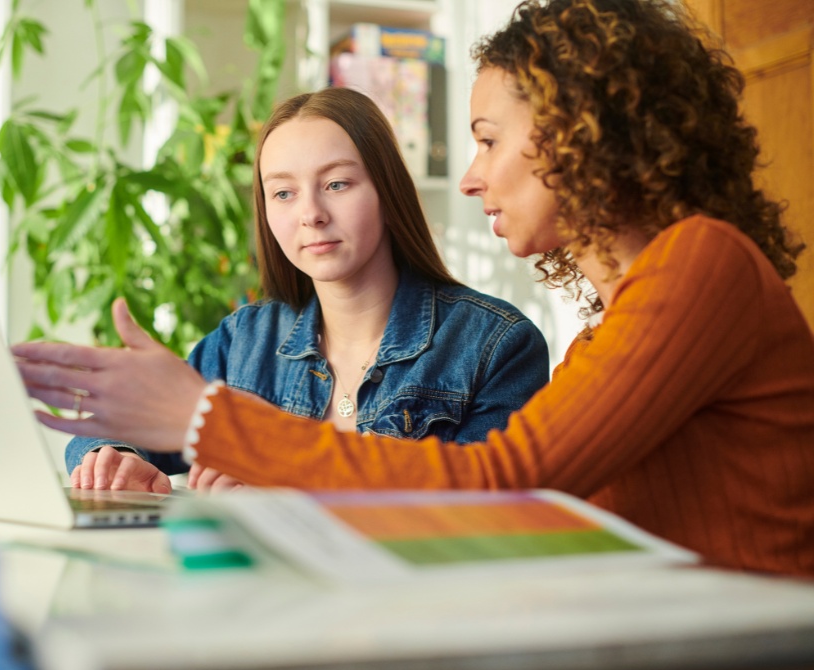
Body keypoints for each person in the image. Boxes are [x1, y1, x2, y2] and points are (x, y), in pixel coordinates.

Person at [13, 0, 814, 576]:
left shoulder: (700, 264)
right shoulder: (621, 316)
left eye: (489, 140)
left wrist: (206, 421)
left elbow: (500, 489)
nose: (470, 177)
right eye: (282, 192)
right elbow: (539, 521)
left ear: (582, 132)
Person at [61, 86, 550, 494]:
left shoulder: (494, 345)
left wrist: (287, 489)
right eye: (283, 193)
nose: (310, 213)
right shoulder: (244, 342)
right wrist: (116, 457)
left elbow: (486, 513)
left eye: (336, 184)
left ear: (387, 191)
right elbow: (118, 427)